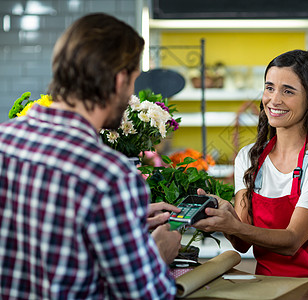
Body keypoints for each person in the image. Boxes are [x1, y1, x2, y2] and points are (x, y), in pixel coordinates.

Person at [0, 13, 181, 299]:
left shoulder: (3, 141)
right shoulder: (110, 176)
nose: (132, 91)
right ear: (119, 79)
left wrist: (121, 223)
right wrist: (157, 254)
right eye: (133, 80)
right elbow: (146, 295)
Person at [194, 50, 308, 277]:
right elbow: (242, 243)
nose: (274, 100)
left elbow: (292, 240)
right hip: (265, 287)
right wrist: (224, 218)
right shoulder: (249, 158)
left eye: (288, 91)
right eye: (269, 87)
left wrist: (235, 226)